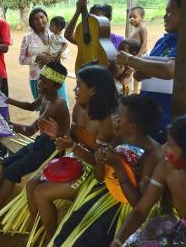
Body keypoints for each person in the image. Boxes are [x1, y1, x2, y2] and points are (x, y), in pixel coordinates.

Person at [53, 94, 163, 247]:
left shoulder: (153, 156)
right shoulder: (119, 137)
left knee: (92, 238)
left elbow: (139, 205)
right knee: (69, 230)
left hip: (126, 212)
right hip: (106, 195)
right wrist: (100, 160)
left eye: (118, 115)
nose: (113, 117)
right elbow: (100, 177)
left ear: (133, 126)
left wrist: (118, 166)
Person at [25, 64, 118, 244]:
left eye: (79, 86)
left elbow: (98, 163)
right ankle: (37, 233)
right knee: (31, 184)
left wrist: (72, 146)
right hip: (76, 160)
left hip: (95, 176)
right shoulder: (79, 108)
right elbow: (71, 137)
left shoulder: (106, 121)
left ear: (93, 90)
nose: (74, 90)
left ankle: (53, 241)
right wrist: (59, 135)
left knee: (42, 193)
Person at [0, 62, 70, 215]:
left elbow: (28, 131)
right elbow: (31, 106)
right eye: (40, 79)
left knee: (12, 171)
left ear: (56, 86)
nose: (39, 83)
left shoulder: (56, 105)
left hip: (53, 149)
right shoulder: (45, 95)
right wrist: (8, 100)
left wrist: (1, 122)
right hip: (42, 143)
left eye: (44, 82)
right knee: (6, 164)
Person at [110, 115, 186, 247]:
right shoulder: (165, 168)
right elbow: (140, 210)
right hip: (169, 231)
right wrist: (117, 242)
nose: (163, 148)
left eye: (171, 145)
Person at [116, 0, 181, 143]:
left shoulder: (182, 44)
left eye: (170, 12)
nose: (165, 16)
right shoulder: (162, 42)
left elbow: (171, 70)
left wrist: (130, 60)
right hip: (150, 114)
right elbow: (139, 74)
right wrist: (145, 69)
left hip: (170, 116)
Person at [18, 8, 69, 107]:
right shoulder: (27, 38)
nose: (40, 21)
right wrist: (39, 57)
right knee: (44, 109)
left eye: (42, 17)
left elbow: (67, 52)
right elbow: (21, 60)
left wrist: (58, 55)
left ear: (47, 18)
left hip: (56, 77)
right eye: (35, 19)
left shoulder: (55, 33)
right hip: (38, 78)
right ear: (31, 22)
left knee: (60, 106)